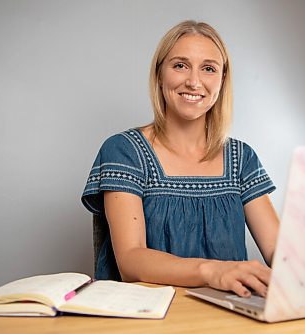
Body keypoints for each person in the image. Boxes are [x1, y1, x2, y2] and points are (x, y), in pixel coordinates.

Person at [82, 20, 280, 298]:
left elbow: (278, 250)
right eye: (180, 65)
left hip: (228, 319)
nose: (194, 81)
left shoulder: (241, 158)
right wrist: (213, 272)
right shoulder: (124, 151)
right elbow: (130, 261)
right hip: (147, 319)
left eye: (208, 68)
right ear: (160, 73)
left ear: (222, 81)